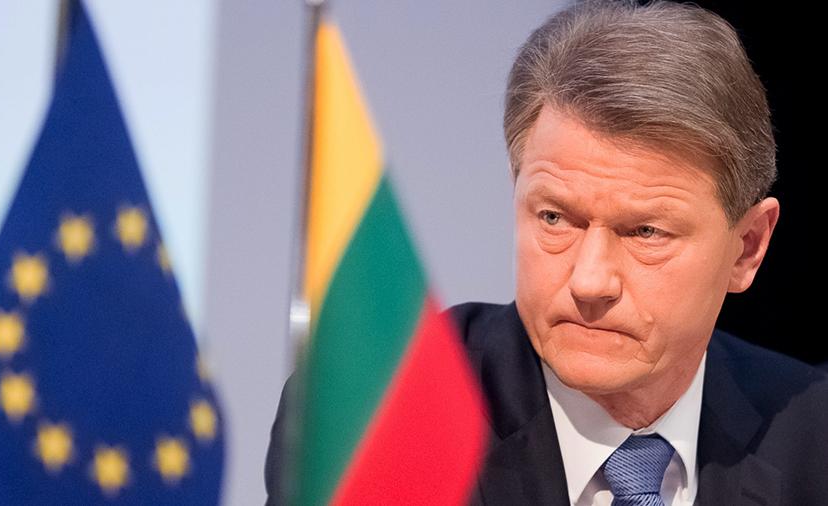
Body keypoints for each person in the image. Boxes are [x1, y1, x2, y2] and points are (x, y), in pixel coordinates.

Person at [266, 1, 828, 504]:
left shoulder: (813, 437)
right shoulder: (378, 418)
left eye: (645, 232)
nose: (589, 281)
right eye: (555, 218)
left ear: (747, 248)